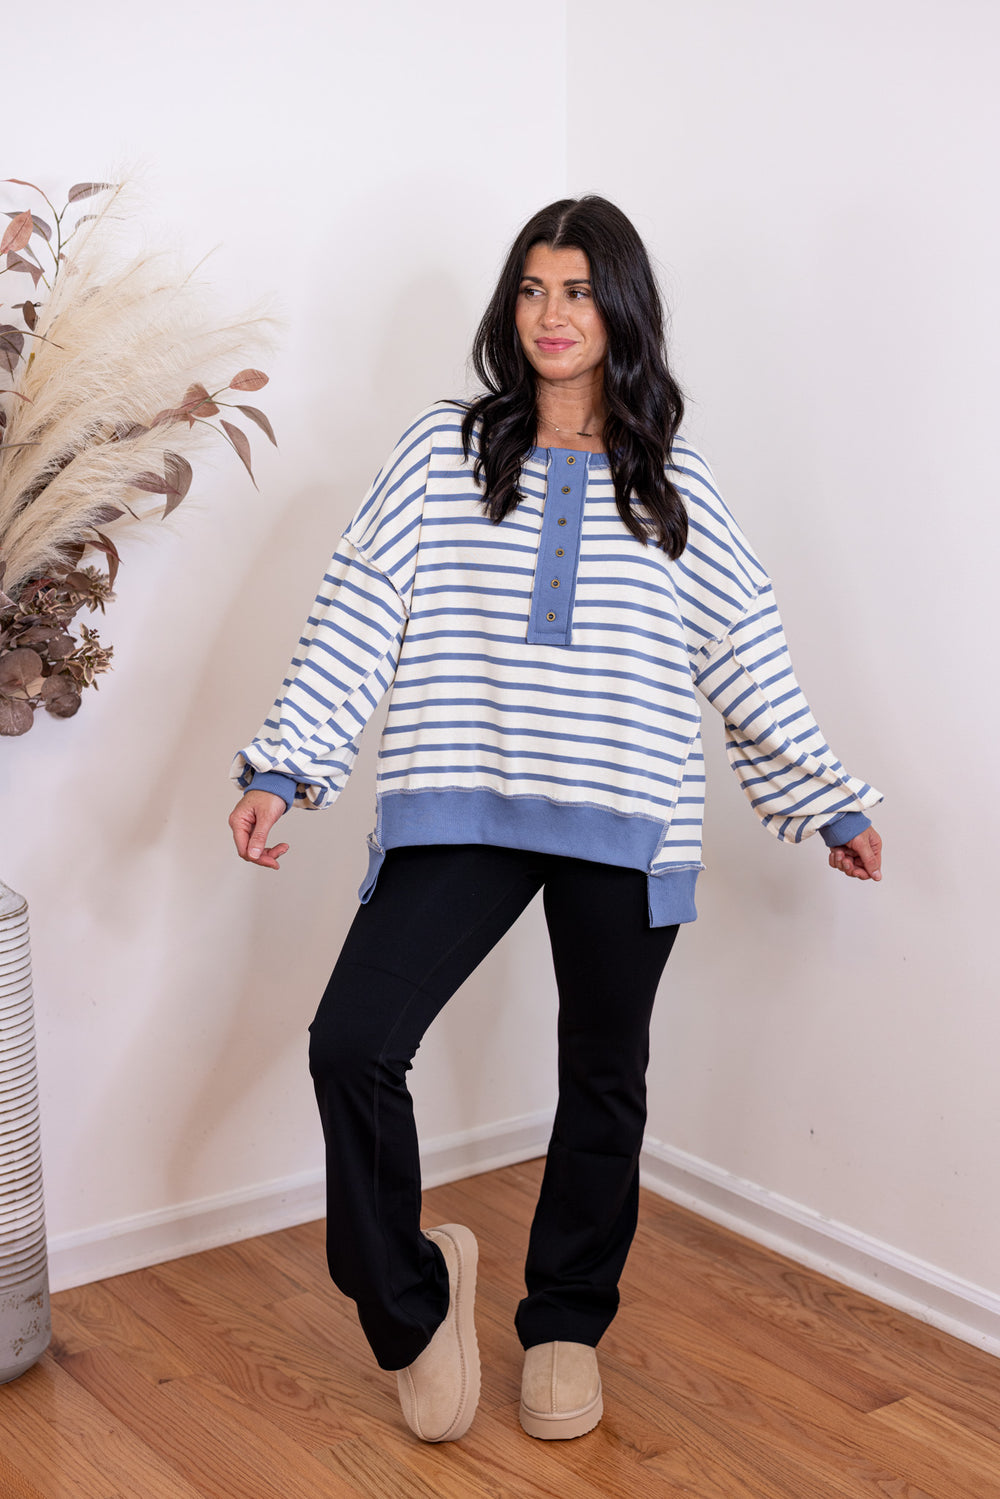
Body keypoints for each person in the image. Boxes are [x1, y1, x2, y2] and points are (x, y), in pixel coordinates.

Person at [229, 196, 883, 1445]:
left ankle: (567, 1321)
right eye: (531, 288)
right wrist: (286, 766)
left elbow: (746, 655)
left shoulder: (674, 485)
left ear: (619, 307)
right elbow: (356, 613)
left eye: (577, 290)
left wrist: (824, 796)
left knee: (602, 1077)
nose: (550, 314)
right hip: (463, 796)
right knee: (351, 1042)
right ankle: (410, 1303)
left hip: (626, 817)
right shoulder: (442, 452)